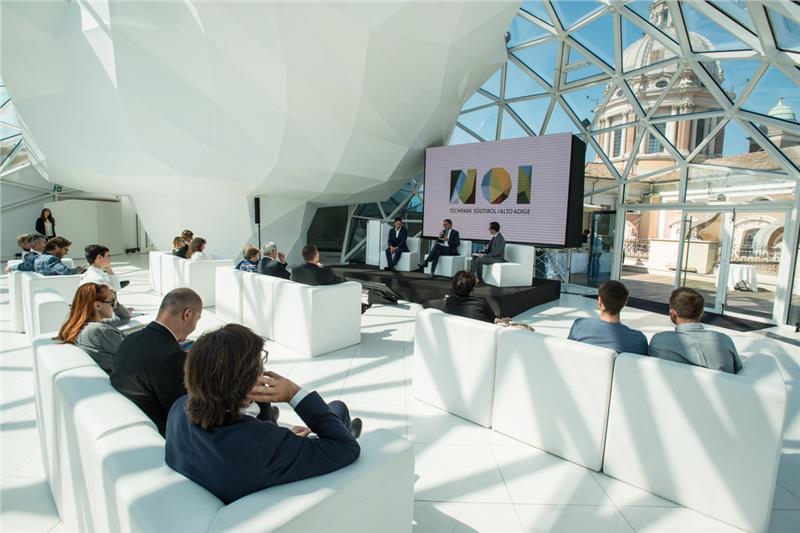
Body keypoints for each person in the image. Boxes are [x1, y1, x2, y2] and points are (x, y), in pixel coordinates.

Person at [165, 324, 363, 504]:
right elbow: (346, 448)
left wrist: (283, 438)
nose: (263, 369)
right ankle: (348, 431)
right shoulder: (265, 444)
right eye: (259, 364)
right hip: (267, 467)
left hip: (230, 466)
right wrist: (293, 394)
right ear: (245, 384)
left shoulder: (179, 409)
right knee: (338, 408)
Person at [648, 287, 742, 374]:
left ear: (673, 313)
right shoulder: (724, 341)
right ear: (701, 313)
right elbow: (738, 370)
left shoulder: (659, 341)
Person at [56, 283, 131, 374]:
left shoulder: (80, 326)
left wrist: (114, 302)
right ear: (97, 306)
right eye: (112, 301)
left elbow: (124, 317)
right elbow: (137, 353)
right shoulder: (99, 331)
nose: (114, 304)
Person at [567, 281, 648, 354]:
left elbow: (567, 351)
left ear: (600, 301)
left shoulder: (579, 325)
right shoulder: (639, 340)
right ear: (625, 303)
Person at [433, 270, 509, 325]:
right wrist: (499, 321)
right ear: (472, 289)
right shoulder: (481, 304)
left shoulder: (445, 303)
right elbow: (492, 320)